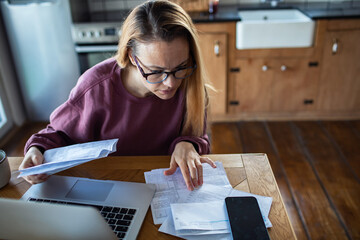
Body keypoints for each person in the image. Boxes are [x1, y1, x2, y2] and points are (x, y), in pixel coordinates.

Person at [19, 0, 216, 190]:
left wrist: (188, 144)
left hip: (166, 186)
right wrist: (36, 150)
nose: (171, 83)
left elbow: (197, 134)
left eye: (180, 67)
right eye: (156, 71)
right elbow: (58, 134)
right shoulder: (95, 87)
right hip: (108, 185)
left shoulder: (191, 80)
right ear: (132, 57)